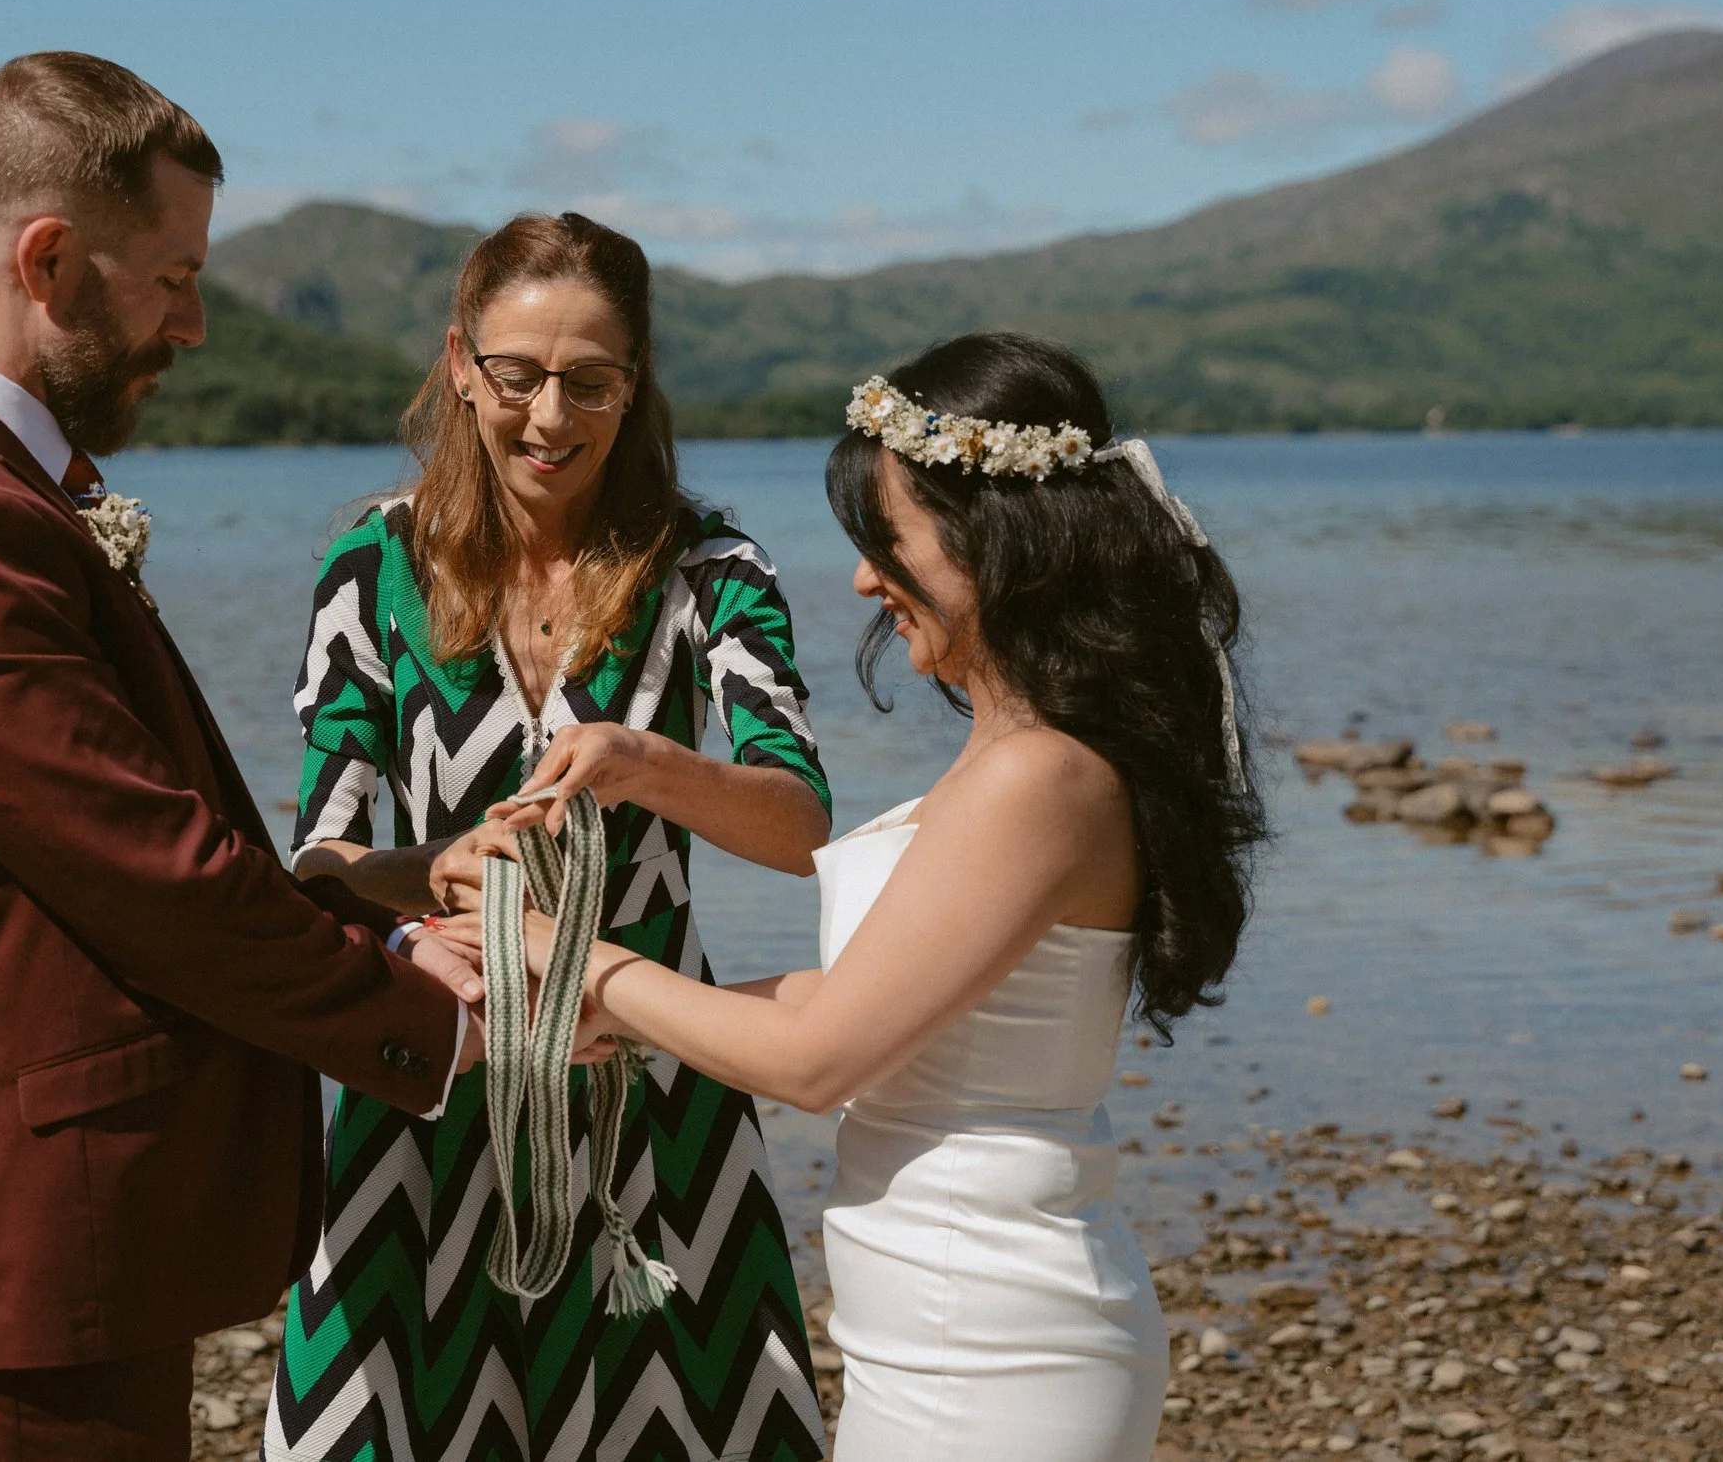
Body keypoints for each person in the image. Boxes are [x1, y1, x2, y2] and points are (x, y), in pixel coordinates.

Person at [0, 51, 489, 1461]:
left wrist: (362, 891)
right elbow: (146, 869)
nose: (195, 323)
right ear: (46, 260)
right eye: (170, 278)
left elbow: (67, 850)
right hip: (10, 1251)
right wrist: (433, 1017)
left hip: (16, 1237)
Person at [467, 334, 1264, 1462]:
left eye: (886, 540)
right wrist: (604, 1020)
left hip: (995, 1345)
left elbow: (818, 1062)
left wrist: (582, 960)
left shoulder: (1039, 777)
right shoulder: (1020, 757)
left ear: (995, 541)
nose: (859, 579)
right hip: (944, 1330)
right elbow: (854, 1004)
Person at [263, 213, 834, 1462]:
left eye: (590, 382)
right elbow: (320, 861)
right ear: (461, 362)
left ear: (636, 385)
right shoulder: (371, 565)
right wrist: (425, 873)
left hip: (652, 1093)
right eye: (517, 378)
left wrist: (650, 764)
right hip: (429, 1072)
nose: (548, 418)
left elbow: (799, 826)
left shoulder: (712, 571)